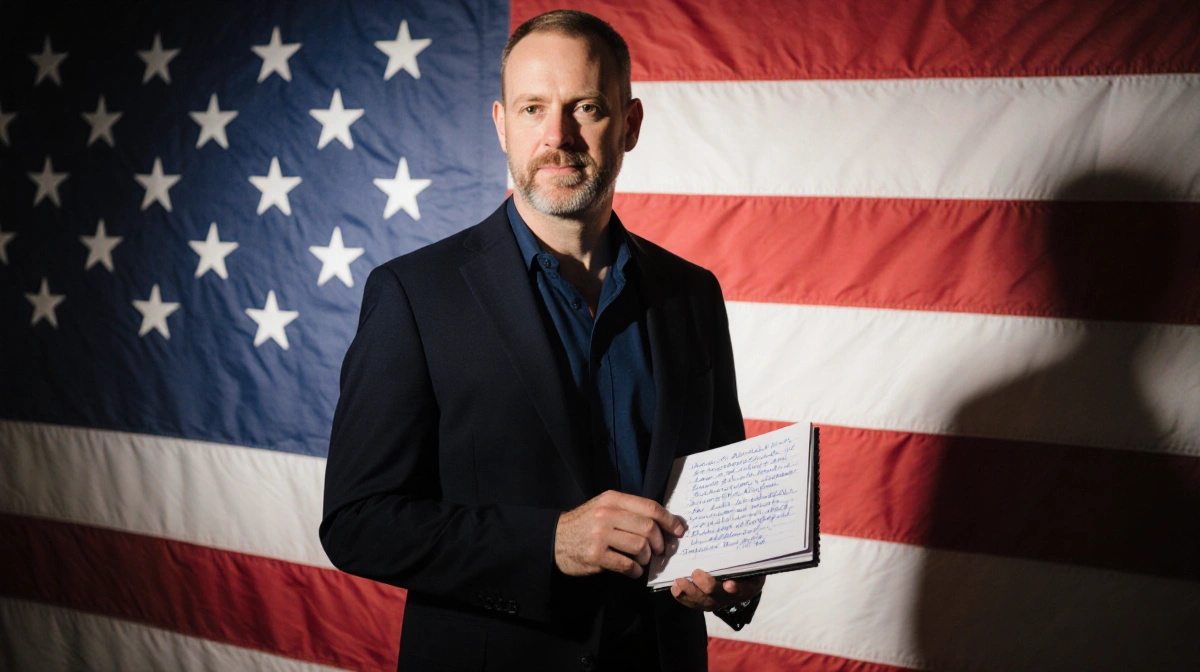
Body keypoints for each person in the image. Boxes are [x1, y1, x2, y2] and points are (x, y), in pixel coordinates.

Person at [320, 10, 765, 671]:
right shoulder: (415, 295)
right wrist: (549, 542)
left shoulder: (692, 293)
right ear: (502, 124)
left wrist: (734, 572)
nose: (558, 136)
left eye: (585, 107)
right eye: (533, 108)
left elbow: (718, 492)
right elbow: (358, 523)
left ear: (630, 124)